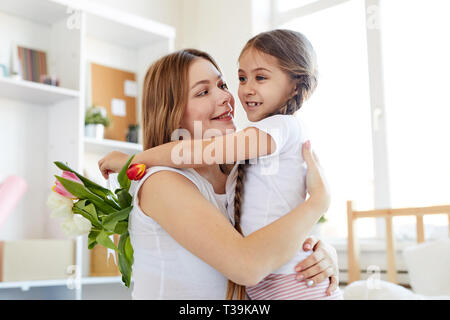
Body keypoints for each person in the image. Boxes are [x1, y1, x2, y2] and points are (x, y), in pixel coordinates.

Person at [98, 47, 339, 300]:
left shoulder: (243, 172)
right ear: (171, 112)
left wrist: (321, 254)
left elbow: (276, 233)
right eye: (203, 92)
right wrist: (318, 203)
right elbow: (248, 266)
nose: (226, 97)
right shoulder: (161, 181)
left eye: (223, 85)